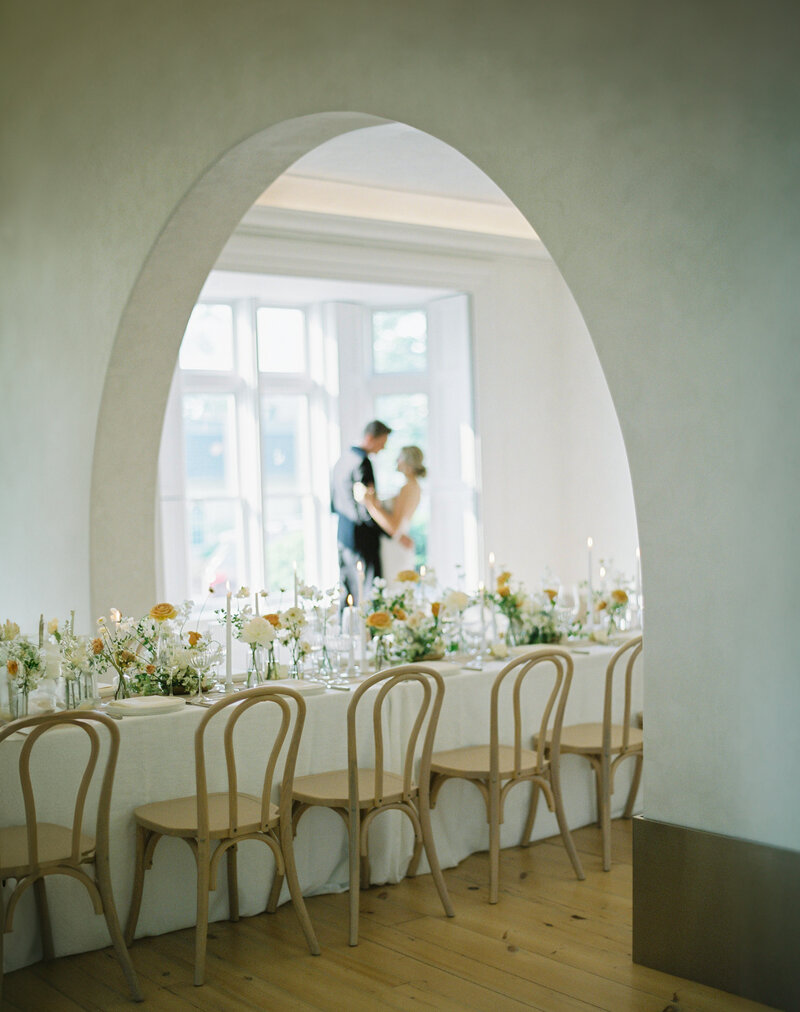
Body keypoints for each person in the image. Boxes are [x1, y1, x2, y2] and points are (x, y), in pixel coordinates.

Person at [330, 420, 411, 607]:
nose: (382, 449)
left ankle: (346, 633)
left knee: (348, 589)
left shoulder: (343, 459)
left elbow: (335, 502)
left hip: (343, 533)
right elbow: (368, 508)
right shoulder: (363, 463)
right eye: (382, 443)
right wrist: (392, 534)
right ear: (370, 438)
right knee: (368, 591)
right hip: (363, 537)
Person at [364, 445, 425, 581]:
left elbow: (394, 525)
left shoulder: (408, 488)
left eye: (400, 457)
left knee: (394, 589)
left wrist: (371, 505)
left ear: (407, 462)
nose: (397, 460)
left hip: (395, 544)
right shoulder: (413, 486)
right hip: (399, 541)